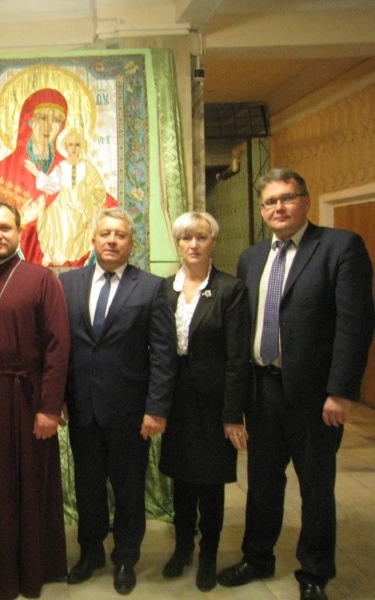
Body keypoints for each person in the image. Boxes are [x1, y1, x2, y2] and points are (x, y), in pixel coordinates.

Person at [217, 169, 374, 600]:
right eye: (270, 202)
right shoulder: (251, 258)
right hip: (262, 390)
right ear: (262, 210)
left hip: (315, 396)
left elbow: (355, 324)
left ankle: (315, 573)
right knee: (263, 484)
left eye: (287, 198)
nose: (278, 208)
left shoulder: (340, 247)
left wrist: (341, 391)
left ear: (305, 200)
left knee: (316, 489)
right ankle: (257, 557)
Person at [0, 199, 71, 600]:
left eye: (5, 227)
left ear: (19, 231)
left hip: (26, 399)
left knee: (27, 485)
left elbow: (58, 348)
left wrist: (49, 408)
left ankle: (30, 570)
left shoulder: (42, 280)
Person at [59, 207, 177, 595]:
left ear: (131, 243)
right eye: (105, 233)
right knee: (88, 487)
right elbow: (59, 347)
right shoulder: (68, 283)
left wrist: (156, 408)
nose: (112, 240)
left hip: (130, 411)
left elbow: (163, 352)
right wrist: (58, 397)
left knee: (128, 490)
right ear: (93, 240)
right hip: (82, 408)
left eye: (120, 235)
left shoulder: (151, 287)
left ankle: (126, 557)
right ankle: (90, 552)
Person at [158, 211, 250, 592]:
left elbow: (238, 357)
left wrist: (232, 414)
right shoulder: (165, 289)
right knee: (181, 480)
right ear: (178, 243)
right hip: (176, 401)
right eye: (186, 238)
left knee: (211, 484)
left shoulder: (230, 289)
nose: (193, 245)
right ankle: (182, 548)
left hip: (214, 404)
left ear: (214, 242)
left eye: (201, 237)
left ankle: (208, 554)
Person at [0, 88, 67, 266]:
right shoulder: (1, 172)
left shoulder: (70, 170)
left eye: (56, 120)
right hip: (12, 271)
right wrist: (22, 220)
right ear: (30, 121)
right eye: (43, 118)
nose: (49, 127)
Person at [24, 127, 117, 266]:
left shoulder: (88, 167)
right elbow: (51, 185)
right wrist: (36, 172)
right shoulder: (61, 166)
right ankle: (52, 253)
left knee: (85, 221)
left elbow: (99, 190)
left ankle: (71, 253)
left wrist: (85, 201)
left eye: (77, 144)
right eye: (70, 144)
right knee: (53, 217)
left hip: (83, 205)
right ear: (65, 147)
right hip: (63, 202)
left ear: (82, 147)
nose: (74, 148)